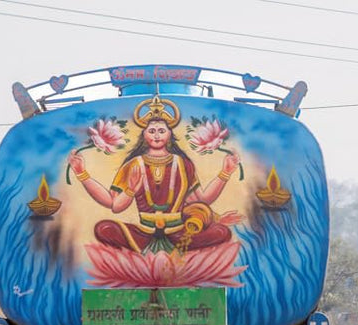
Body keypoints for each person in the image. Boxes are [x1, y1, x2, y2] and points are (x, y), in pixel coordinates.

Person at [68, 95, 239, 255]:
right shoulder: (133, 165)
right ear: (144, 135)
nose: (156, 135)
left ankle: (165, 248)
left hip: (178, 231)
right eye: (152, 131)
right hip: (143, 232)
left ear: (170, 134)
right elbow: (114, 205)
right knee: (103, 229)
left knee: (221, 233)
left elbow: (202, 199)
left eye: (161, 131)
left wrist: (225, 172)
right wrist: (82, 174)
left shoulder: (183, 164)